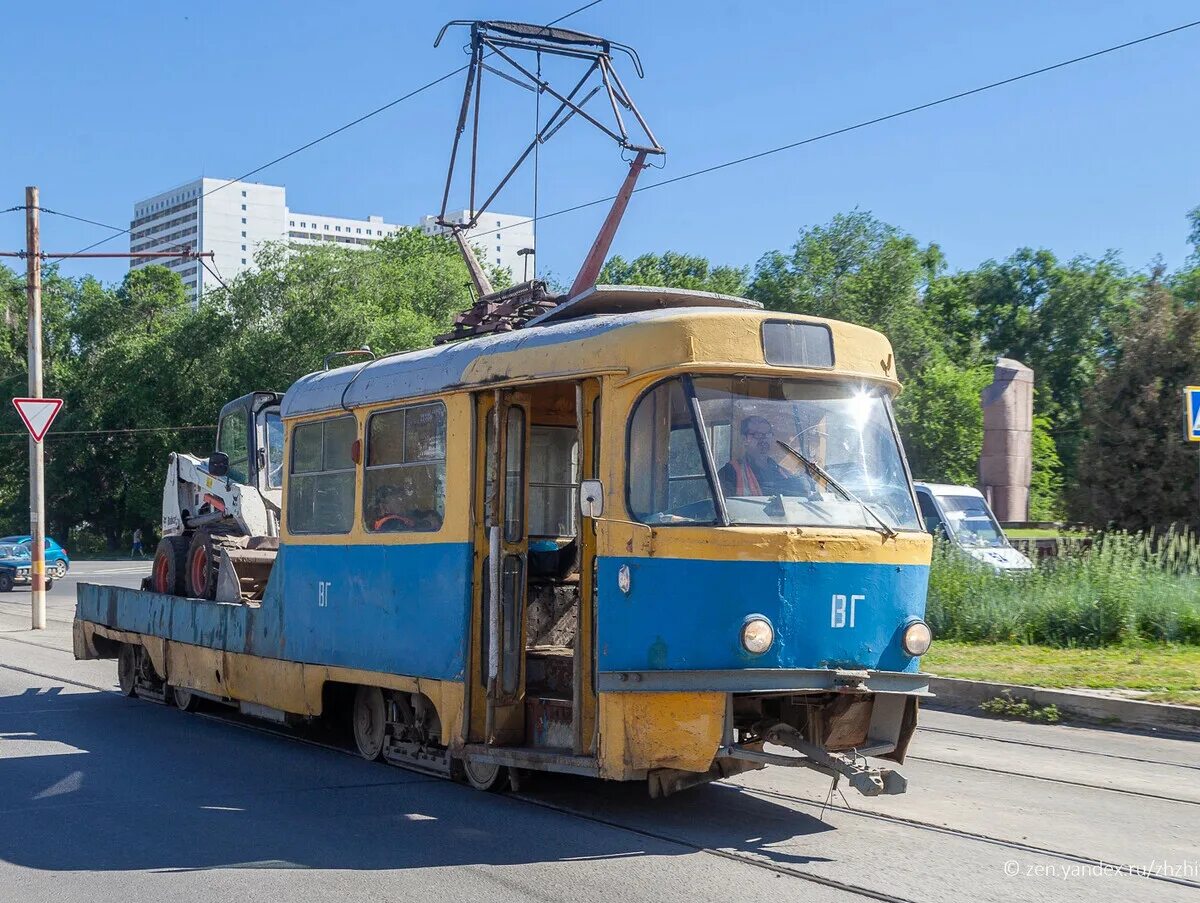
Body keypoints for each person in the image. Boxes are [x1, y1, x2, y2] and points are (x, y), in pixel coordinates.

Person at [718, 415, 817, 498]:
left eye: (767, 434)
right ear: (744, 439)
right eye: (758, 435)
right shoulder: (729, 473)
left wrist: (805, 482)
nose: (764, 439)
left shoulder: (782, 472)